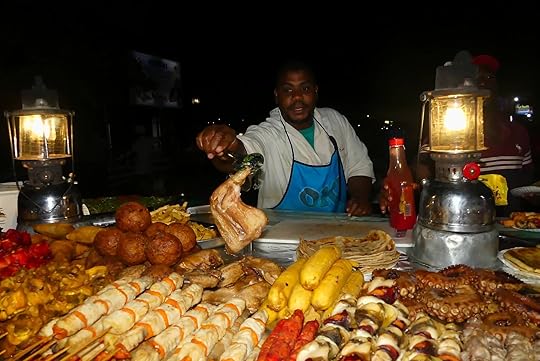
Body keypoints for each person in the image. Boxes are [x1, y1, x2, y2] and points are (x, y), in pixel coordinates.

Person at [196, 60, 375, 216]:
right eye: (287, 90)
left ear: (316, 91)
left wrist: (360, 199)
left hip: (337, 235)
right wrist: (227, 146)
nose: (297, 97)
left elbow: (359, 165)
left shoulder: (335, 122)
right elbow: (243, 152)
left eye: (305, 88)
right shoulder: (269, 132)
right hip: (281, 244)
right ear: (277, 96)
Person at [379, 53, 535, 217]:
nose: (483, 81)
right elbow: (419, 175)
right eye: (475, 76)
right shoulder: (444, 135)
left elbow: (527, 183)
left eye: (489, 76)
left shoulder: (518, 133)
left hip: (512, 225)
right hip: (456, 220)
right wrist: (398, 188)